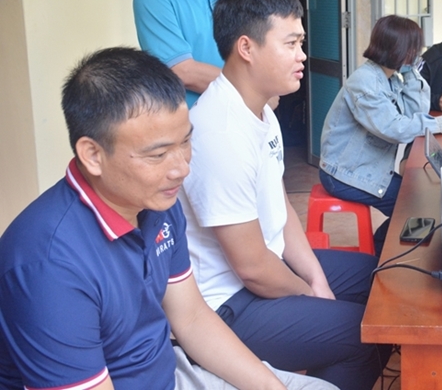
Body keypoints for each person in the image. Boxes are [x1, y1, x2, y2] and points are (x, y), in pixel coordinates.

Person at [0, 47, 335, 390]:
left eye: (186, 142)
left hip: (169, 373)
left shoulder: (156, 201)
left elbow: (191, 318)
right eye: (158, 154)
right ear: (93, 155)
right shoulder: (48, 266)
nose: (181, 169)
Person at [179, 0, 390, 390]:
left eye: (301, 43)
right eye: (291, 44)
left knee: (386, 282)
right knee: (368, 333)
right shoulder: (220, 133)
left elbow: (281, 210)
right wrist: (308, 294)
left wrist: (317, 278)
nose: (303, 55)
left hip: (269, 269)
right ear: (246, 48)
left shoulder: (261, 112)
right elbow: (252, 268)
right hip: (229, 304)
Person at [319, 15, 442, 255]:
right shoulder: (366, 82)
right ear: (399, 49)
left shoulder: (389, 77)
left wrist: (410, 70)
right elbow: (395, 129)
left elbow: (415, 113)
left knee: (420, 201)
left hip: (365, 167)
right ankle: (383, 256)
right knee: (417, 206)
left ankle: (382, 249)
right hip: (343, 173)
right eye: (413, 49)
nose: (417, 54)